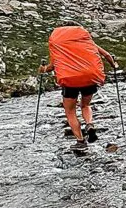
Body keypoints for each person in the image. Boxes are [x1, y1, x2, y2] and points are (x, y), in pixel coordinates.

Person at [40, 22, 119, 151]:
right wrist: (114, 65)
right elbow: (107, 55)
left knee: (70, 111)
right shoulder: (86, 42)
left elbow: (52, 66)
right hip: (89, 78)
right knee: (85, 105)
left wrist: (43, 69)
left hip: (70, 80)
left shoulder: (59, 45)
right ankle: (89, 124)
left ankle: (80, 141)